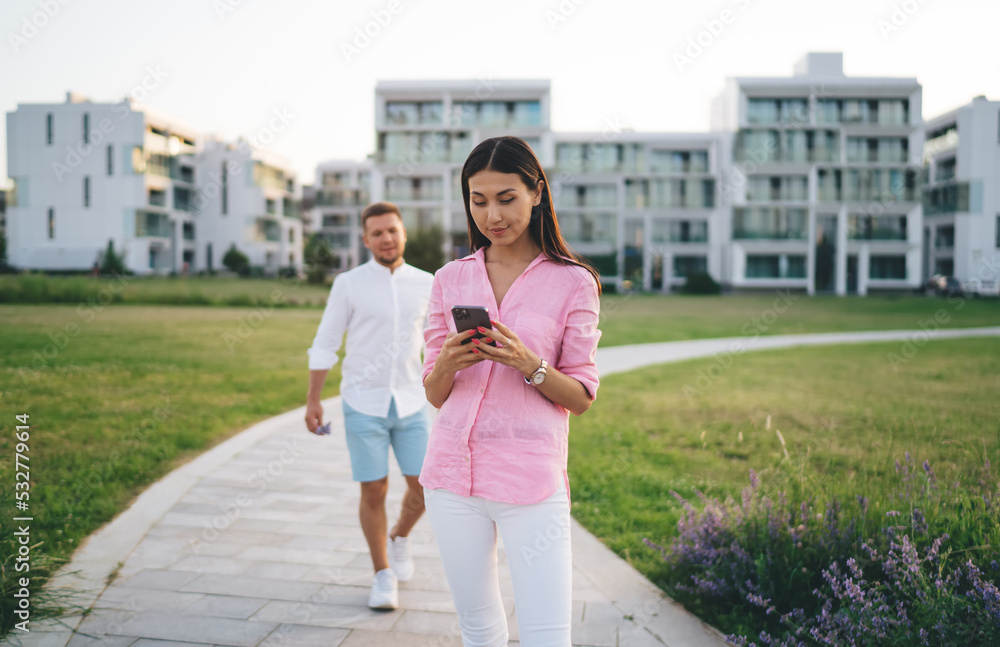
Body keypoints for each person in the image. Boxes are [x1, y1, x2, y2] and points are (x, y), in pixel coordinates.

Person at [420, 136, 602, 645]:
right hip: (452, 478)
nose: (492, 215)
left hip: (531, 482)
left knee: (547, 636)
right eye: (479, 200)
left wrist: (528, 363)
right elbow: (435, 393)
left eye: (506, 198)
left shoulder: (573, 282)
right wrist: (449, 364)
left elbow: (583, 396)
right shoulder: (449, 279)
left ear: (537, 192)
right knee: (478, 630)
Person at [305, 201, 435, 610]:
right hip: (363, 401)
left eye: (392, 230)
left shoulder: (427, 282)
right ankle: (382, 575)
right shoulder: (349, 283)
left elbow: (437, 341)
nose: (386, 238)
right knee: (374, 488)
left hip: (412, 400)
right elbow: (326, 341)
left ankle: (399, 537)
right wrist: (313, 399)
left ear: (403, 233)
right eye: (377, 233)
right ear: (366, 240)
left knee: (426, 487)